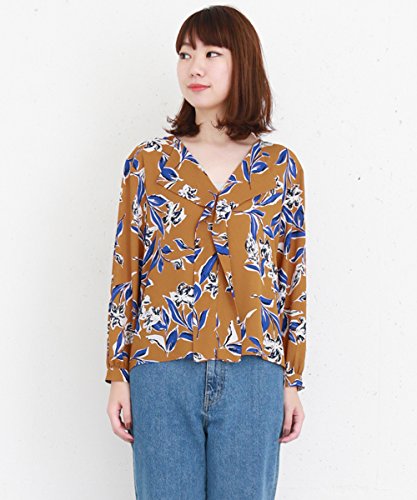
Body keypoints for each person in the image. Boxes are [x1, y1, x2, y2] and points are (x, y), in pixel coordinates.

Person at [105, 5, 307, 499]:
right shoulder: (148, 163)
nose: (194, 67)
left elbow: (292, 278)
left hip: (253, 372)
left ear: (243, 64)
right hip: (161, 367)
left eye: (212, 53)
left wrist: (292, 381)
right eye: (185, 54)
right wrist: (117, 375)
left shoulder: (279, 168)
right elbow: (126, 269)